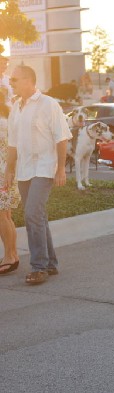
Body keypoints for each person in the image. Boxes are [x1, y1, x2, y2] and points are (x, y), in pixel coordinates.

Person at [4, 65, 72, 285]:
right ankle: (50, 263)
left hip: (44, 167)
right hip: (24, 170)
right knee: (39, 215)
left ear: (28, 80)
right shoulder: (16, 107)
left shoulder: (48, 104)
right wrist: (9, 170)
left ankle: (39, 267)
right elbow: (13, 143)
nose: (11, 83)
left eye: (14, 79)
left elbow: (61, 138)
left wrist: (60, 168)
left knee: (32, 213)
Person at [0, 90, 20, 275]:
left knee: (2, 216)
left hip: (2, 172)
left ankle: (8, 257)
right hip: (8, 170)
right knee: (6, 215)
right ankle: (12, 254)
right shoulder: (7, 114)